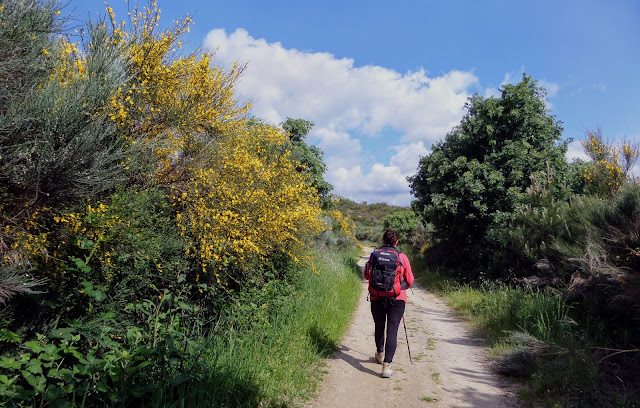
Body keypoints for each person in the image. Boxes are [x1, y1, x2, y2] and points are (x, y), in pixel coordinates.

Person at [363, 229, 414, 378]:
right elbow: (410, 280)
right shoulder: (402, 257)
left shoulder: (374, 255)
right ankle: (386, 366)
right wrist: (399, 288)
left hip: (376, 297)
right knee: (392, 331)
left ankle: (379, 354)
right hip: (397, 299)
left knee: (379, 326)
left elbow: (367, 275)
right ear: (396, 241)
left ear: (383, 240)